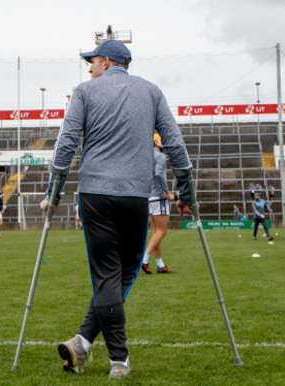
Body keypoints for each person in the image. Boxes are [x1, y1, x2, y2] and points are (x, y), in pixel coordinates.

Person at [39, 40, 192, 378]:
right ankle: (118, 359)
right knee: (121, 271)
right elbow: (175, 143)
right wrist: (187, 191)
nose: (89, 67)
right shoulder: (151, 91)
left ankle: (83, 341)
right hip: (134, 196)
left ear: (107, 62)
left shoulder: (83, 92)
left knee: (114, 273)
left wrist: (55, 191)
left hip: (95, 194)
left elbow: (65, 143)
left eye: (91, 61)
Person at [141, 133, 175, 275]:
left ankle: (160, 264)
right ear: (157, 142)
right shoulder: (160, 156)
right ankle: (145, 259)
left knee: (156, 233)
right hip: (159, 197)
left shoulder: (144, 157)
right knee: (162, 231)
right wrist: (167, 192)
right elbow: (159, 173)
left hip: (148, 197)